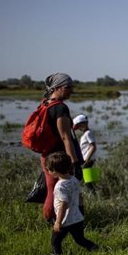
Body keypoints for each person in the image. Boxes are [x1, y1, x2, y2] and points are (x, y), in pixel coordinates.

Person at [40, 73, 84, 222]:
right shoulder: (60, 108)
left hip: (47, 155)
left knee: (52, 189)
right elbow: (65, 137)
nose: (71, 90)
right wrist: (75, 162)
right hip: (59, 158)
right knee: (57, 190)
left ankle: (54, 220)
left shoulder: (45, 103)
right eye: (68, 87)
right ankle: (54, 222)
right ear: (57, 88)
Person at [44, 151, 98, 255]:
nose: (48, 171)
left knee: (55, 241)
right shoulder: (74, 180)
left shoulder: (60, 186)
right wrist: (81, 211)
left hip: (65, 220)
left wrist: (58, 222)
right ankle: (94, 247)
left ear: (55, 171)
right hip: (77, 217)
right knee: (80, 239)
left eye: (49, 170)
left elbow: (63, 205)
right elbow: (80, 197)